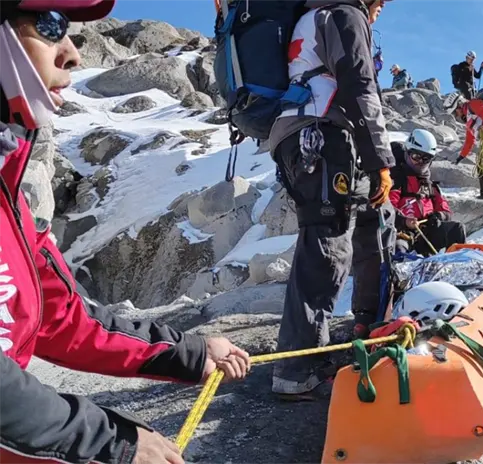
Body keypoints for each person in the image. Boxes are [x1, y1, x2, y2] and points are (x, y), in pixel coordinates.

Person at [0, 2, 251, 463]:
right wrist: (111, 443)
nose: (72, 53)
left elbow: (64, 320)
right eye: (50, 25)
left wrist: (190, 354)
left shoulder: (9, 199)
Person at [267, 0, 396, 396]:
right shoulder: (343, 13)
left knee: (370, 220)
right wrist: (380, 160)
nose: (381, 7)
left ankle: (368, 324)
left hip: (299, 134)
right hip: (322, 134)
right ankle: (297, 371)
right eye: (380, 1)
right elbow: (359, 84)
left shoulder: (311, 15)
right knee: (327, 245)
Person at [390, 129, 466, 257]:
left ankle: (456, 264)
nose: (420, 162)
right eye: (416, 157)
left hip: (427, 232)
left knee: (456, 229)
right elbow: (387, 210)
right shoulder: (396, 180)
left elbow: (446, 211)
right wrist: (404, 221)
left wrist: (438, 216)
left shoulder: (430, 185)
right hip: (403, 233)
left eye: (426, 159)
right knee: (399, 249)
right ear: (407, 153)